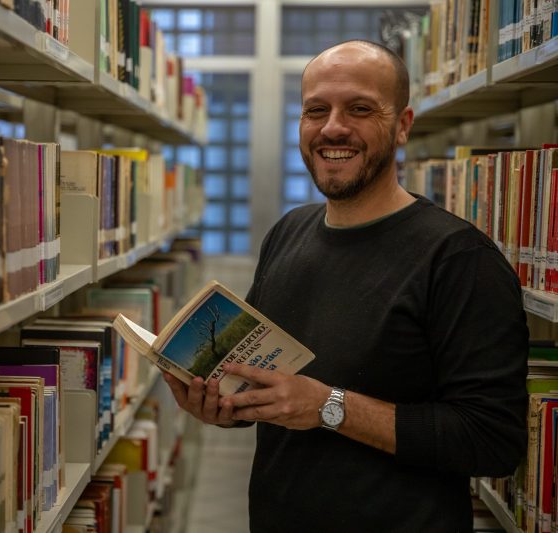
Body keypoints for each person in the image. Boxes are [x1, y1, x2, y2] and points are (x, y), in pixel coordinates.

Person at [162, 40, 529, 532]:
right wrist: (224, 406)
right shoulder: (288, 232)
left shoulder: (460, 260)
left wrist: (329, 407)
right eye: (316, 110)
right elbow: (268, 386)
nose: (333, 127)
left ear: (402, 126)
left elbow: (492, 439)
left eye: (360, 109)